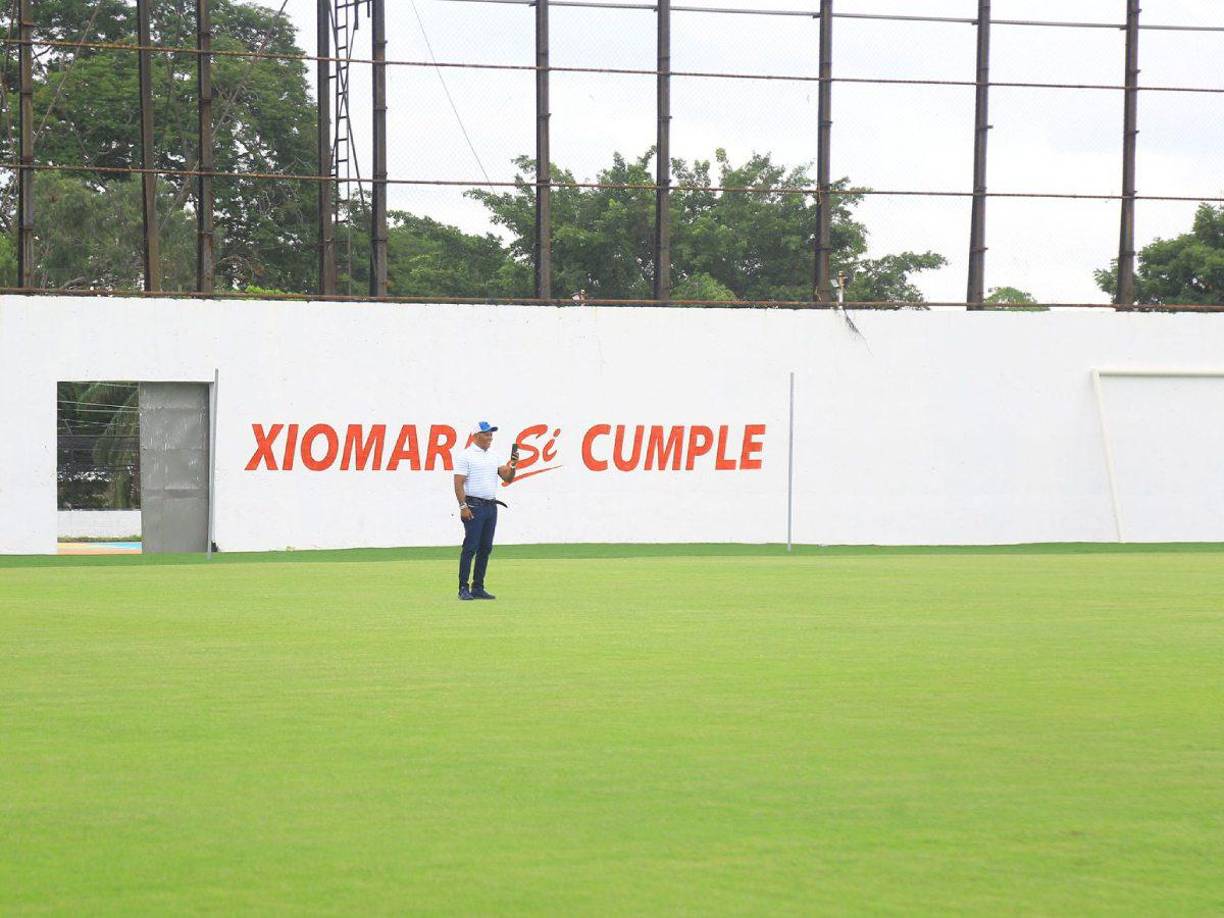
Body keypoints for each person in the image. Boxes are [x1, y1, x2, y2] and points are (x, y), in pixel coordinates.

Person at [453, 421, 517, 600]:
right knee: (470, 547)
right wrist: (462, 506)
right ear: (476, 436)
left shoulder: (494, 456)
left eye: (491, 434)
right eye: (486, 434)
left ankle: (478, 587)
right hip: (473, 506)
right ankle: (463, 588)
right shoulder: (465, 456)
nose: (490, 437)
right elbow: (458, 483)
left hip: (490, 507)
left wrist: (512, 466)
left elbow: (507, 477)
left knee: (485, 548)